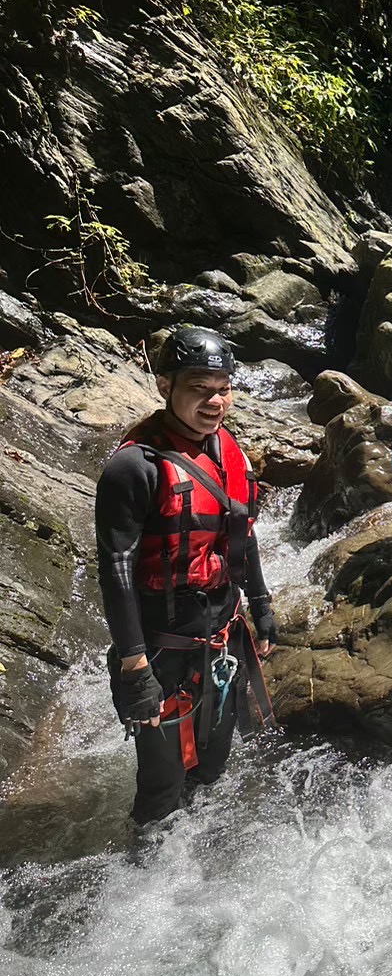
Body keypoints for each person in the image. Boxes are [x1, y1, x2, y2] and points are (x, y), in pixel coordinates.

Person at [95, 325, 277, 824]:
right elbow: (116, 569)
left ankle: (199, 853)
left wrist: (260, 607)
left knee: (215, 760)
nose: (214, 401)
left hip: (221, 629)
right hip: (162, 642)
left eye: (222, 388)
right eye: (199, 388)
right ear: (165, 385)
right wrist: (135, 669)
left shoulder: (228, 450)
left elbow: (243, 534)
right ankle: (144, 875)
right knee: (162, 781)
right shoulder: (134, 468)